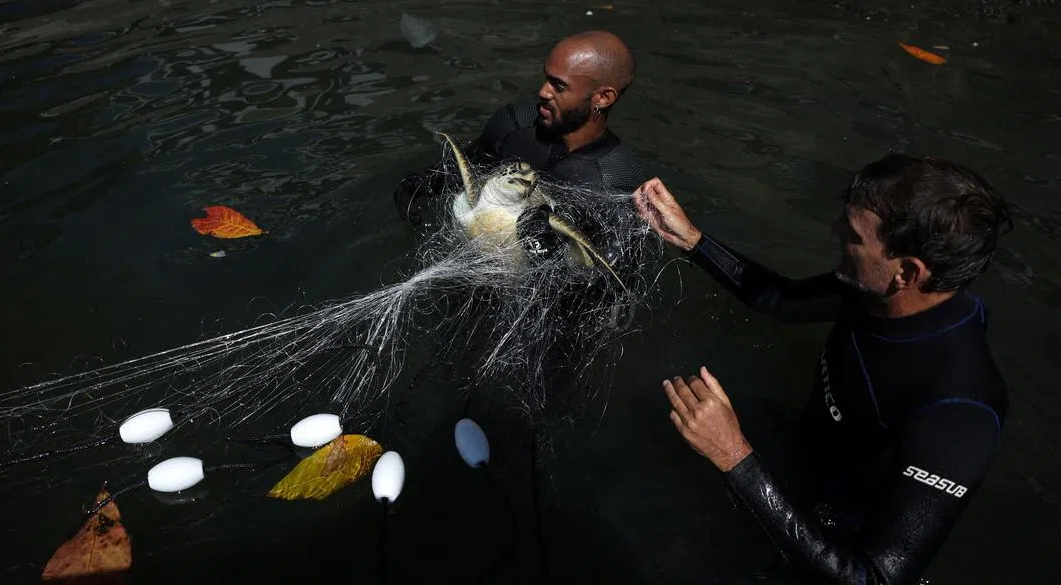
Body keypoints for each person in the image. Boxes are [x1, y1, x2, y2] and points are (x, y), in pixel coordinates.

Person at [635, 154, 1013, 584]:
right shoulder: (873, 285)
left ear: (907, 272)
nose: (834, 231)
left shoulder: (961, 408)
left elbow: (874, 578)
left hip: (837, 541)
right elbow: (780, 299)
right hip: (803, 459)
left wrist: (733, 455)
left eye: (852, 234)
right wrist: (692, 240)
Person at [394, 30, 646, 271]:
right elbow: (469, 169)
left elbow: (616, 283)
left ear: (603, 98)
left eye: (558, 86)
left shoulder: (619, 179)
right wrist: (422, 182)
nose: (543, 91)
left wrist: (550, 255)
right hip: (480, 268)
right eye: (546, 77)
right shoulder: (515, 125)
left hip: (552, 305)